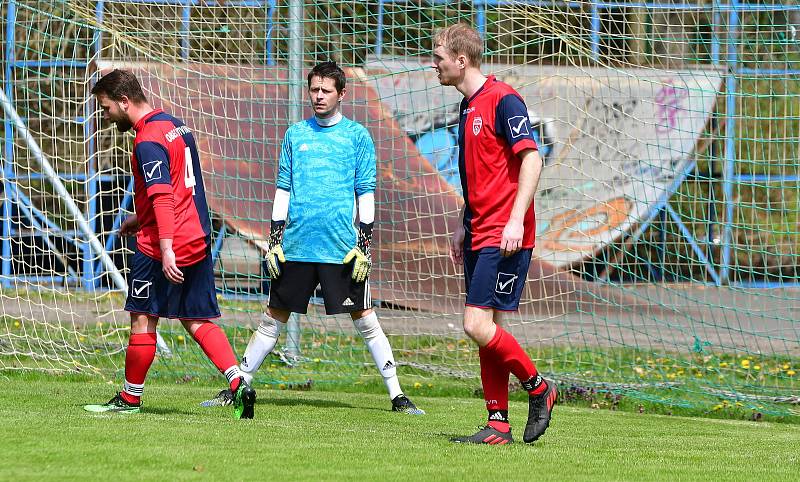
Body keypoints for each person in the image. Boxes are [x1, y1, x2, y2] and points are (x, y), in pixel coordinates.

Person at [201, 61, 423, 415]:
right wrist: (275, 240)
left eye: (326, 90)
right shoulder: (295, 135)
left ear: (342, 94)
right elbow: (283, 190)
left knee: (366, 320)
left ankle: (397, 395)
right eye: (314, 90)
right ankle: (237, 385)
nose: (318, 96)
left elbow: (365, 193)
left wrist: (364, 245)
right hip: (297, 248)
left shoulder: (357, 137)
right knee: (272, 318)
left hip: (343, 250)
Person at [83, 69, 256, 419]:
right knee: (197, 318)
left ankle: (130, 399)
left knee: (143, 319)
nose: (105, 115)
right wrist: (140, 216)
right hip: (197, 235)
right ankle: (238, 382)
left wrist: (164, 248)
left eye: (105, 108)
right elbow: (181, 183)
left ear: (124, 101)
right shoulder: (176, 125)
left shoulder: (146, 139)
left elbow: (163, 196)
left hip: (165, 242)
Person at [432, 24, 557, 444]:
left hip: (503, 234)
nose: (435, 64)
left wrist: (517, 220)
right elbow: (479, 176)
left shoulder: (504, 100)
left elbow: (532, 160)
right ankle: (498, 424)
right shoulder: (467, 107)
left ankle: (539, 388)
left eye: (439, 57)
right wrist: (460, 224)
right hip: (478, 231)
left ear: (461, 60)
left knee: (474, 324)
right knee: (490, 327)